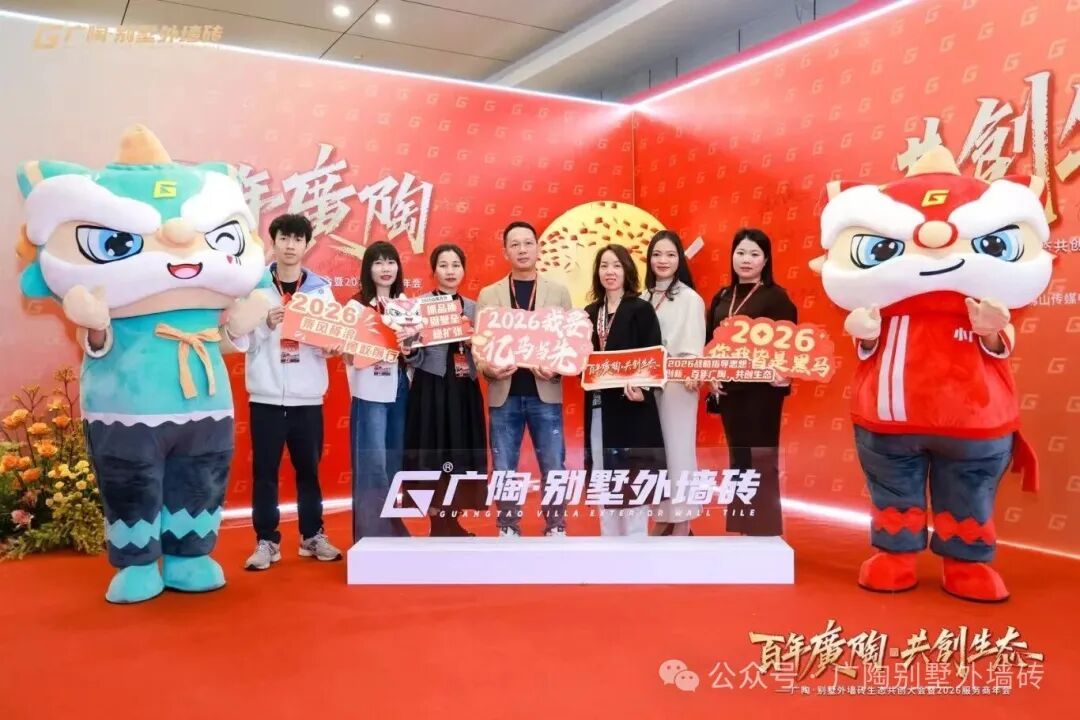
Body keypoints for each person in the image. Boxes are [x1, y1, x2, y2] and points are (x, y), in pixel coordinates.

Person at [243, 213, 342, 570]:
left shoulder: (321, 291)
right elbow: (240, 338)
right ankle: (266, 541)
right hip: (266, 397)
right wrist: (264, 325)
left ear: (306, 245)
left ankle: (312, 535)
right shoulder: (254, 289)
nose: (290, 245)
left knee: (309, 472)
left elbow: (332, 339)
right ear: (273, 242)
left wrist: (330, 347)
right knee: (265, 473)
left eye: (297, 239)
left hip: (308, 398)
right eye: (284, 238)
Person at [475, 221, 572, 537]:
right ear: (505, 251)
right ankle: (507, 525)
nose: (522, 249)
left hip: (545, 392)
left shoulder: (558, 292)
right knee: (504, 466)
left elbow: (569, 342)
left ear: (538, 248)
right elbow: (479, 345)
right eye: (515, 244)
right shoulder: (489, 294)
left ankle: (556, 524)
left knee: (554, 464)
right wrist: (488, 369)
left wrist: (556, 367)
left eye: (528, 243)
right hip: (504, 392)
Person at [706, 228, 797, 536]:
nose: (746, 260)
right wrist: (711, 375)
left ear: (766, 260)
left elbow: (790, 345)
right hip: (730, 393)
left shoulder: (776, 297)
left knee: (762, 458)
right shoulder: (722, 296)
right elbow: (710, 342)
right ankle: (743, 524)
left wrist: (783, 371)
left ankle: (765, 529)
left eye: (754, 254)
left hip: (762, 394)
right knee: (739, 457)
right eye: (741, 252)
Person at [403, 244, 488, 536]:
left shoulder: (475, 308)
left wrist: (476, 342)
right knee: (433, 450)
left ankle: (453, 516)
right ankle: (436, 519)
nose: (450, 271)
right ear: (433, 271)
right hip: (431, 389)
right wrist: (410, 346)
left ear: (463, 270)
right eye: (443, 265)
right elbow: (412, 357)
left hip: (464, 389)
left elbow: (485, 354)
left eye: (456, 265)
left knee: (462, 451)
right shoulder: (420, 306)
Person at [584, 244, 666, 537]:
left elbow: (654, 356)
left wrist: (644, 389)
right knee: (603, 474)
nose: (610, 271)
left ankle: (635, 542)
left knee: (632, 476)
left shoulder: (640, 309)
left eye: (617, 265)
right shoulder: (589, 313)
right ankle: (608, 543)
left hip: (632, 407)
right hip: (598, 408)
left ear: (627, 270)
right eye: (604, 265)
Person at [344, 241, 414, 541]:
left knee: (395, 462)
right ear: (368, 269)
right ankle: (371, 534)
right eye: (378, 262)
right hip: (369, 390)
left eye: (391, 262)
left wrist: (411, 344)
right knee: (372, 462)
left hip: (401, 386)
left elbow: (414, 351)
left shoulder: (407, 304)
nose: (386, 269)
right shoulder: (356, 306)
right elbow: (347, 354)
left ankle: (392, 525)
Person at [642, 231, 707, 537]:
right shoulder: (641, 296)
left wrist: (690, 370)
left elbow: (694, 346)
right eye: (657, 254)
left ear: (680, 259)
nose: (663, 261)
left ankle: (682, 519)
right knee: (655, 454)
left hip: (679, 385)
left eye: (670, 254)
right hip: (646, 384)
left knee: (678, 450)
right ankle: (662, 516)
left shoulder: (690, 298)